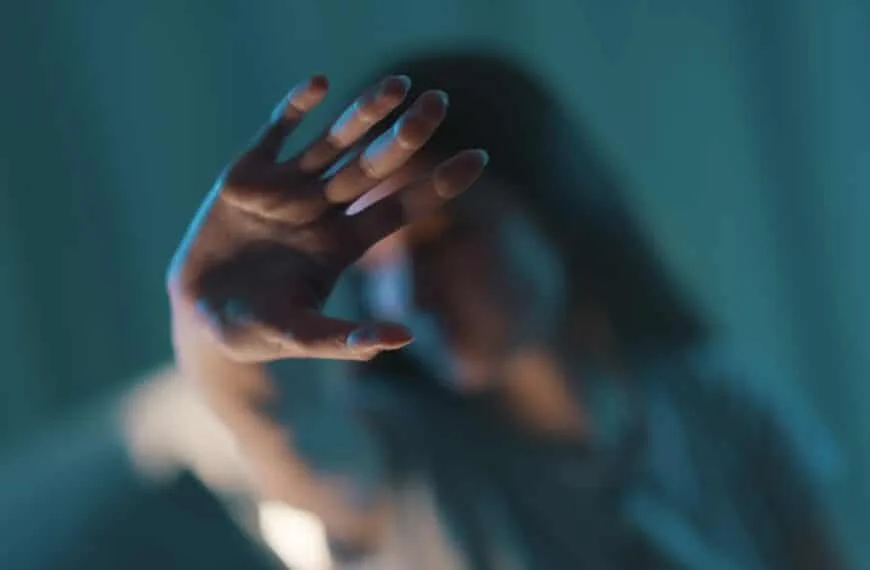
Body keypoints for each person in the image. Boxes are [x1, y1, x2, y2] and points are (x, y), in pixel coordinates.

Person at [167, 48, 845, 569]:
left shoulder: (720, 407)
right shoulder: (399, 461)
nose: (411, 294)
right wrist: (212, 321)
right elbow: (274, 425)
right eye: (377, 266)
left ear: (554, 209)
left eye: (445, 238)